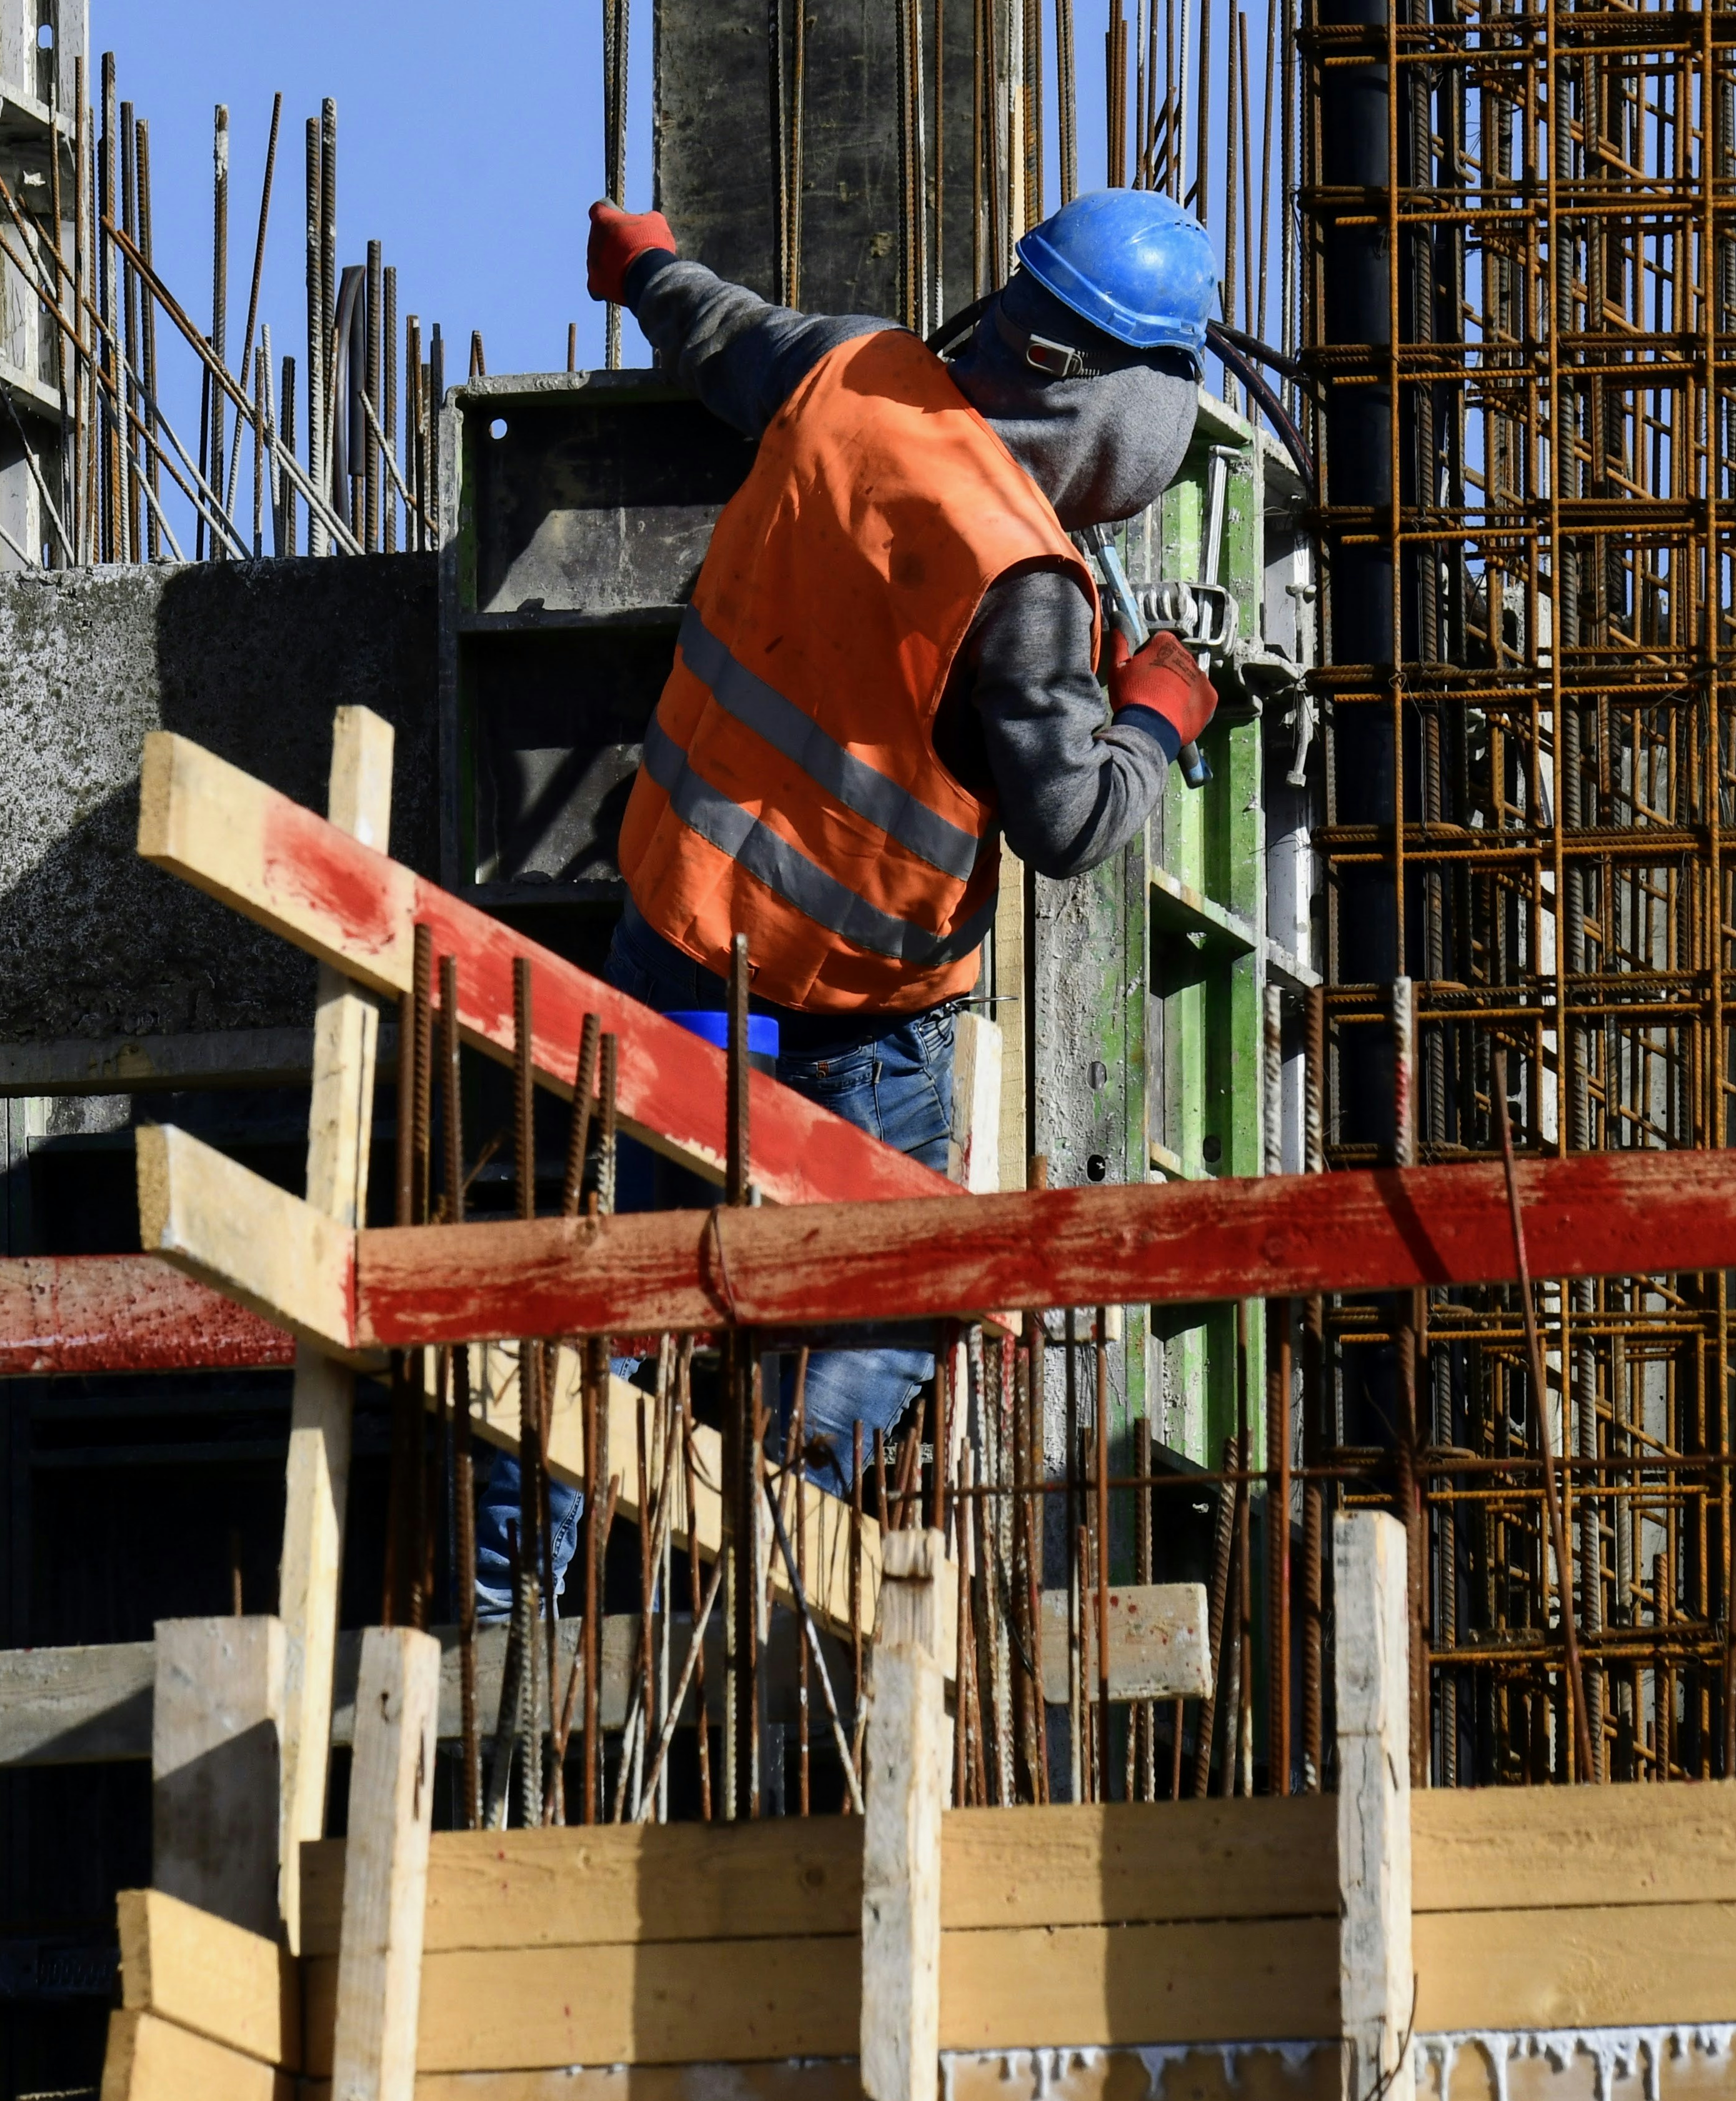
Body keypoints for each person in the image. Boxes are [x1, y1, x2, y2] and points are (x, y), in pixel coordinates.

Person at [467, 189, 1229, 1619]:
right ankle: (761, 1616)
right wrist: (1161, 716)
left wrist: (647, 265)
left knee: (624, 1298)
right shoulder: (1025, 582)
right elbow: (1071, 820)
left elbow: (720, 335)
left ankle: (505, 1620)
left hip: (678, 958)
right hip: (857, 1037)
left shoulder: (848, 374)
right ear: (1111, 398)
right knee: (850, 1342)